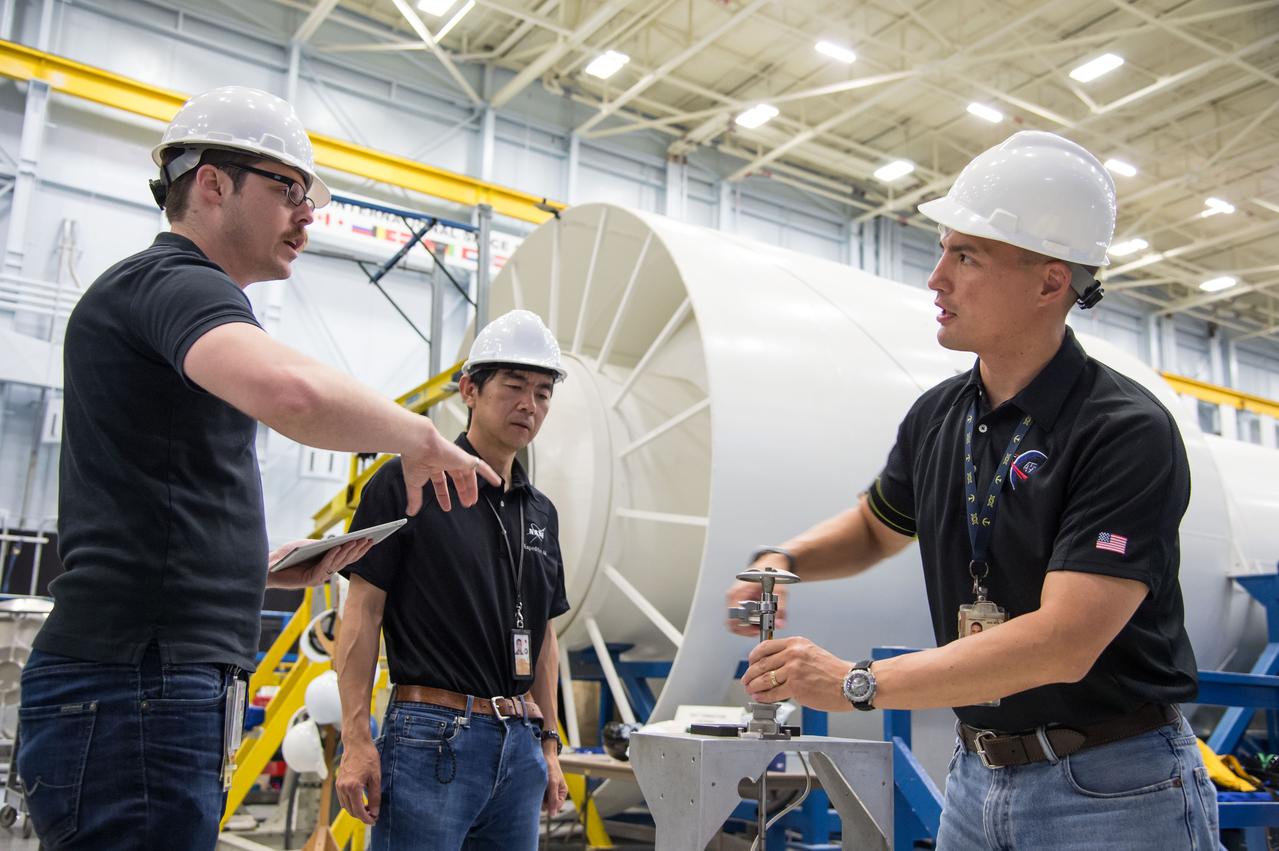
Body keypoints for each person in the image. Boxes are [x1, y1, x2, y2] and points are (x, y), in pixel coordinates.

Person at [16, 86, 498, 851]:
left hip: (147, 684)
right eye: (289, 189)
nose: (308, 214)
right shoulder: (173, 284)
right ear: (211, 182)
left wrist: (255, 568)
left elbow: (158, 502)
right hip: (137, 686)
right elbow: (290, 392)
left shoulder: (171, 301)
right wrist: (420, 436)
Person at [726, 131, 1217, 849]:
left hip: (1112, 792)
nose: (934, 278)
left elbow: (1063, 640)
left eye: (965, 255)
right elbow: (873, 527)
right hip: (975, 777)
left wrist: (857, 683)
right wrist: (782, 558)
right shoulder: (938, 415)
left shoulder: (1123, 429)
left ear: (1051, 282)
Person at [335, 310, 571, 850]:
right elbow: (363, 611)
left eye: (541, 393)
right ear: (469, 390)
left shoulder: (541, 512)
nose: (527, 405)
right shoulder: (408, 481)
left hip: (520, 744)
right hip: (430, 738)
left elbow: (544, 637)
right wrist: (356, 739)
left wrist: (550, 747)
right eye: (513, 387)